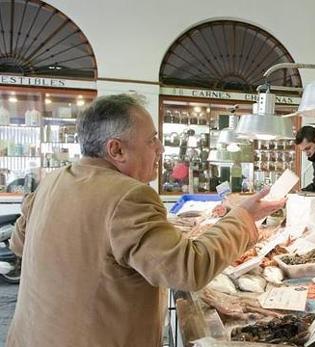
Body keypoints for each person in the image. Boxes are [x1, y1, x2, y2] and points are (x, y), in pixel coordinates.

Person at [6, 94, 285, 346]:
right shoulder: (128, 196)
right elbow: (187, 269)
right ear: (116, 150)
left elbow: (19, 243)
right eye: (152, 140)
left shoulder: (50, 181)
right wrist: (243, 217)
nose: (161, 148)